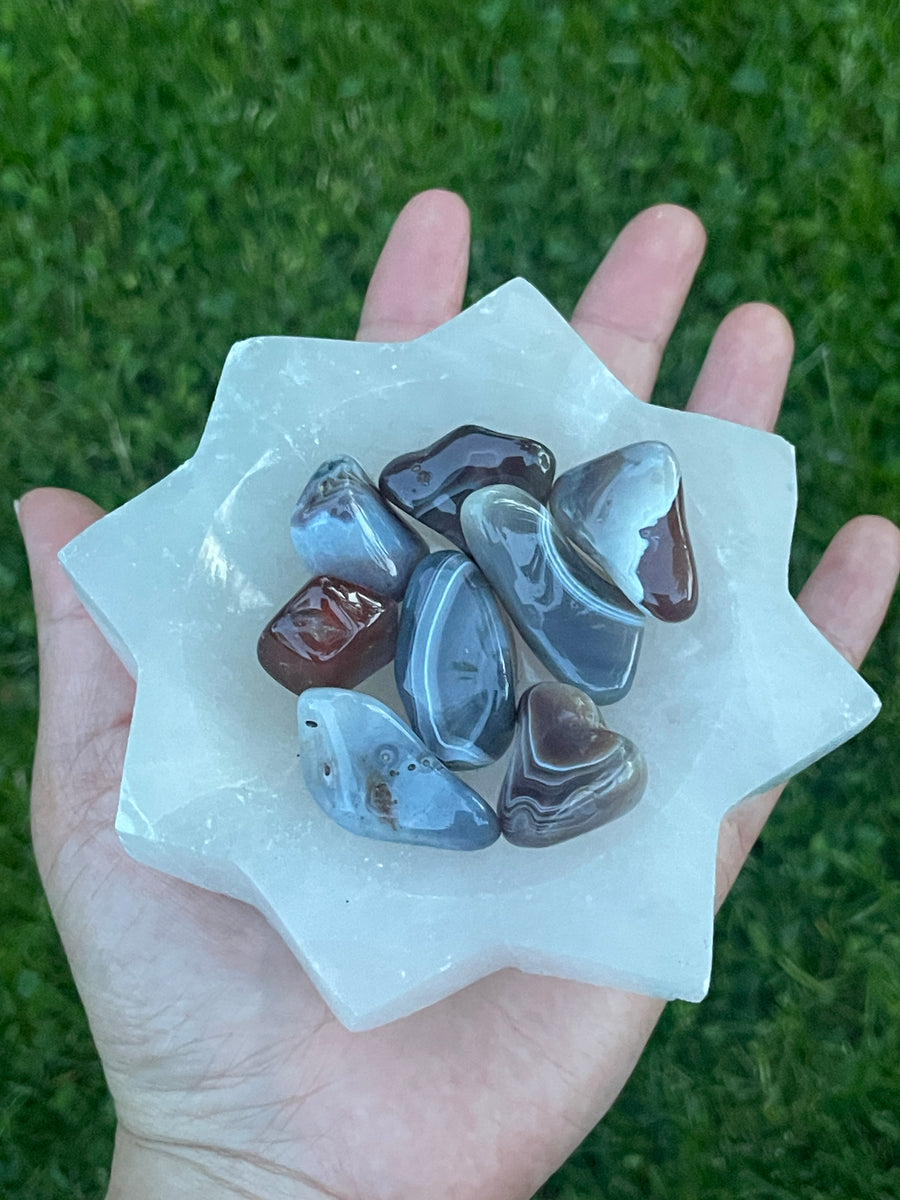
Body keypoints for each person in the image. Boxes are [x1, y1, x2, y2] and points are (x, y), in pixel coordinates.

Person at [17, 190, 900, 1200]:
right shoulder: (443, 598)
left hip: (493, 648)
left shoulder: (513, 610)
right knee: (472, 600)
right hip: (456, 651)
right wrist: (237, 1158)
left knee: (502, 606)